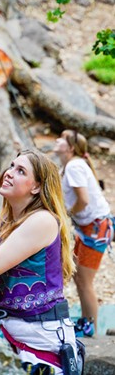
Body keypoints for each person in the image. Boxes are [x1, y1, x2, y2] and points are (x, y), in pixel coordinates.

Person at [0, 149, 78, 374]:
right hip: (3, 330)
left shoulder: (44, 221)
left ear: (36, 187)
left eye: (20, 171)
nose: (8, 173)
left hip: (40, 336)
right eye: (11, 166)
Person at [53, 129, 112, 335]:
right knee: (79, 279)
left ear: (70, 147)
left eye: (62, 138)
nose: (57, 140)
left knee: (85, 283)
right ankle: (87, 323)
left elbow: (83, 200)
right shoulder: (70, 166)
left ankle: (93, 332)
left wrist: (67, 214)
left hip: (95, 228)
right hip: (89, 227)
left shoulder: (75, 166)